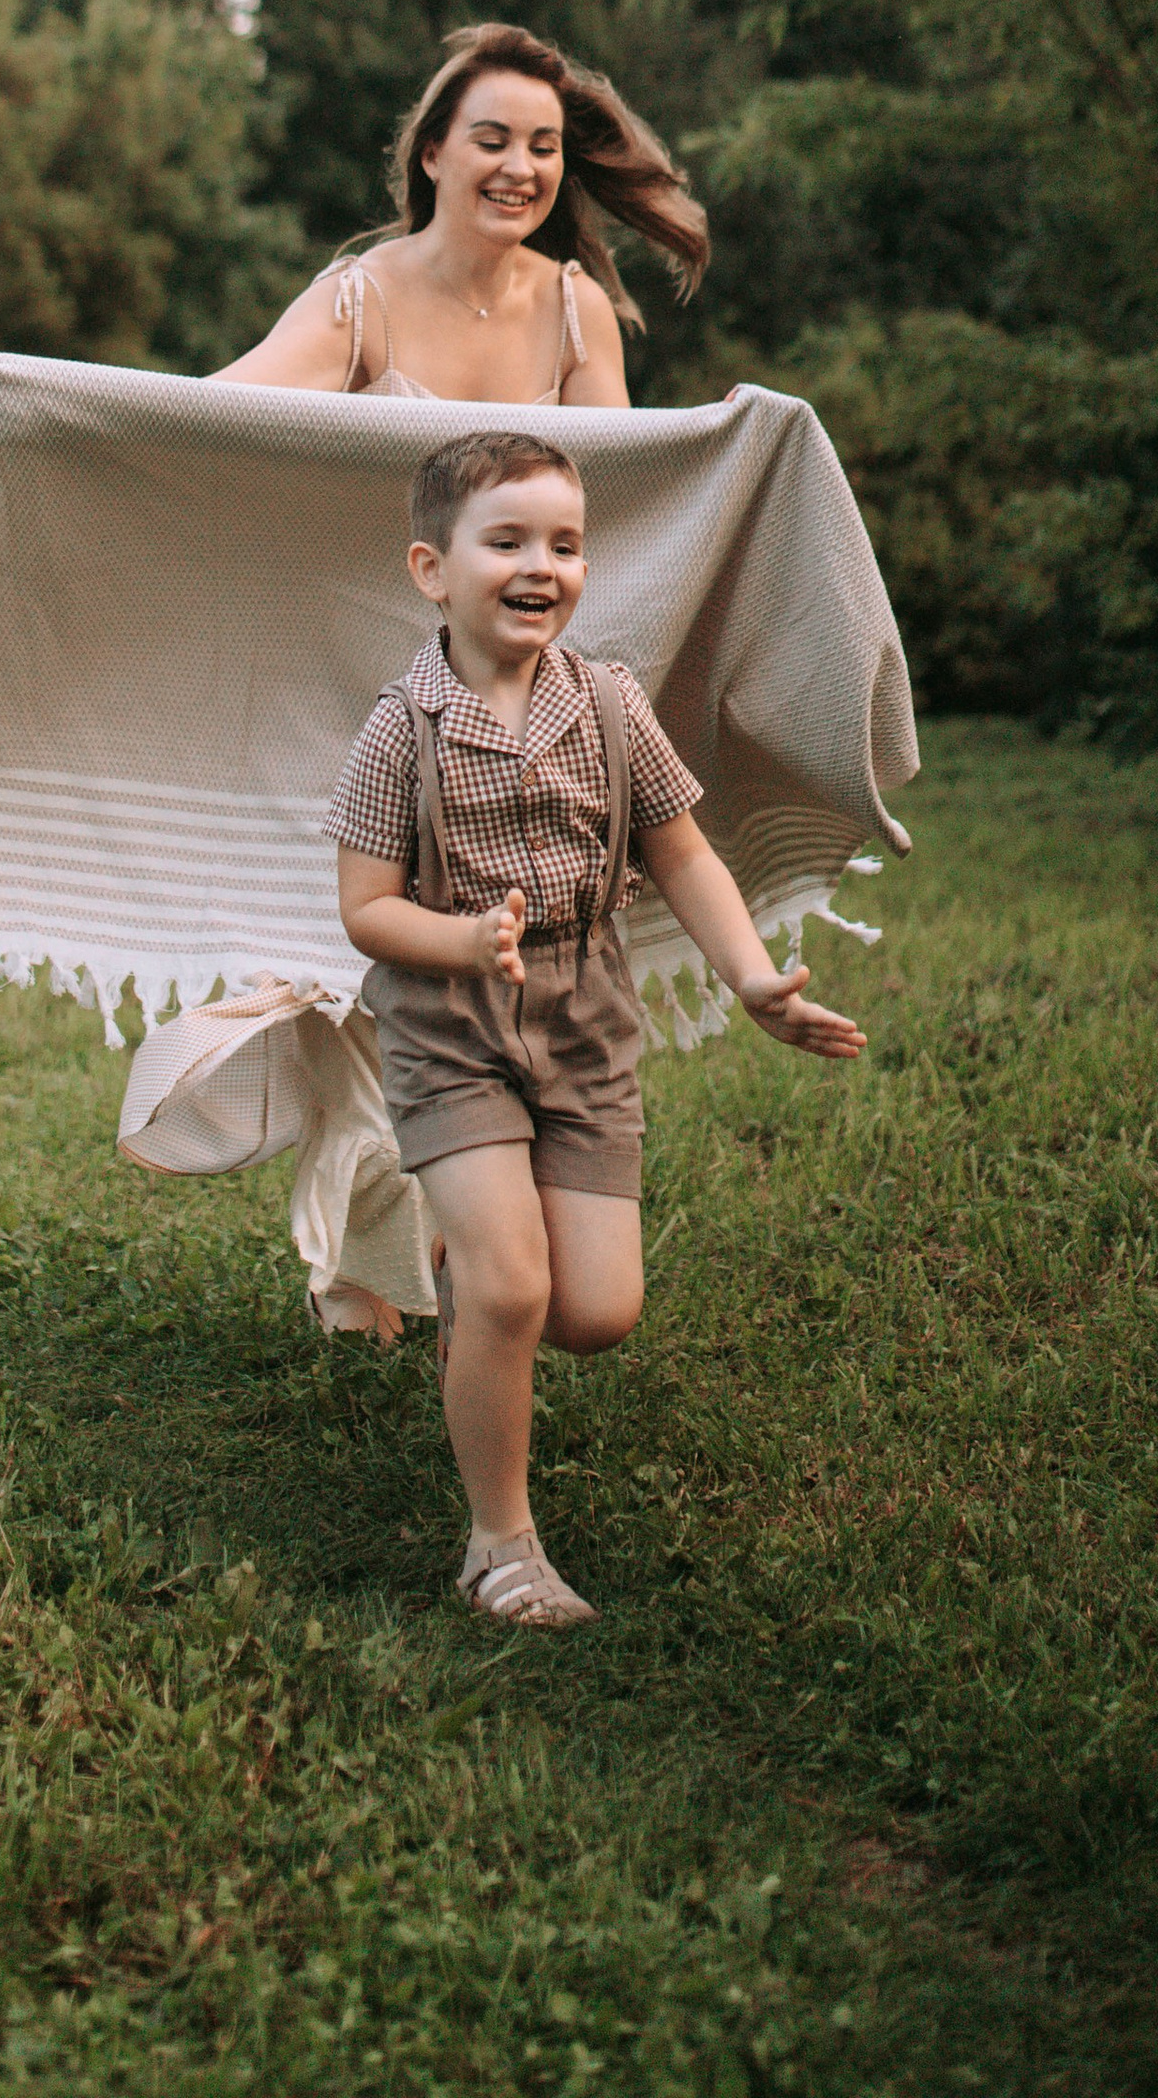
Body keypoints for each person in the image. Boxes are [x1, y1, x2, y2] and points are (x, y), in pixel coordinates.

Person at [333, 426, 866, 1629]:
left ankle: (470, 1267)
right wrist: (460, 941)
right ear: (433, 570)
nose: (543, 566)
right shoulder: (398, 728)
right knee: (517, 1292)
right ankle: (499, 1547)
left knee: (593, 1314)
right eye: (508, 540)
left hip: (581, 1022)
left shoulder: (612, 704)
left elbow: (681, 850)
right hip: (449, 1026)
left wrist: (749, 979)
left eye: (565, 544)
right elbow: (365, 910)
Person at [212, 21, 707, 407]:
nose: (519, 169)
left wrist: (722, 438)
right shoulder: (359, 304)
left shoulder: (575, 311)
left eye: (543, 148)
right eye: (492, 143)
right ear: (432, 156)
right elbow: (206, 413)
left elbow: (627, 490)